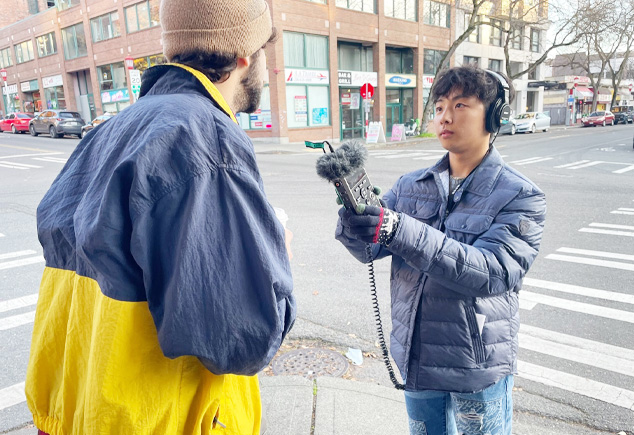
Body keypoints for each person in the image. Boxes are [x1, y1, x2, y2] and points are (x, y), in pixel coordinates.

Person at [25, 0, 295, 434]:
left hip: (77, 413)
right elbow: (242, 341)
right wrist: (276, 248)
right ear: (246, 54)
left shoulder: (112, 130)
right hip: (160, 418)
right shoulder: (206, 141)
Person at [335, 66, 546, 435]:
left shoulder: (521, 195)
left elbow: (492, 272)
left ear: (495, 116)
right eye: (439, 107)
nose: (445, 116)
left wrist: (399, 229)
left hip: (476, 367)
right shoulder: (410, 186)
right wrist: (354, 222)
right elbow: (368, 252)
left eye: (461, 105)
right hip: (417, 360)